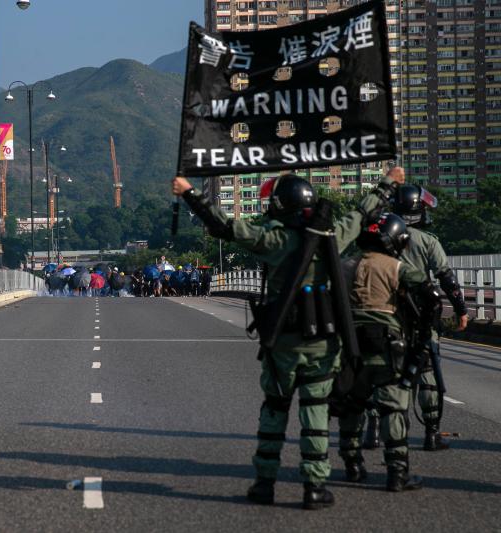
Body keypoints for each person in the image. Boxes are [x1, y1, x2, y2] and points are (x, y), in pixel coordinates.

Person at [173, 168, 401, 510]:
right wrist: (388, 183)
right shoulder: (333, 234)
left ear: (279, 204)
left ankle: (265, 482)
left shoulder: (272, 238)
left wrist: (190, 192)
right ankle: (314, 486)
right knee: (316, 413)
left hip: (282, 341)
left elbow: (223, 225)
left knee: (274, 410)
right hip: (323, 342)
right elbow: (362, 212)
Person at [336, 213, 441, 492]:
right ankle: (397, 473)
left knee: (351, 406)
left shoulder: (344, 266)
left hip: (350, 347)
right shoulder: (397, 268)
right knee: (392, 408)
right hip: (387, 347)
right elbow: (431, 298)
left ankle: (352, 466)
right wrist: (421, 333)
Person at [364, 184, 467, 452]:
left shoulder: (381, 236)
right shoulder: (428, 241)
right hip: (420, 316)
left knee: (381, 372)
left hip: (384, 314)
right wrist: (461, 309)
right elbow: (446, 277)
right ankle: (432, 434)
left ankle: (373, 431)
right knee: (427, 371)